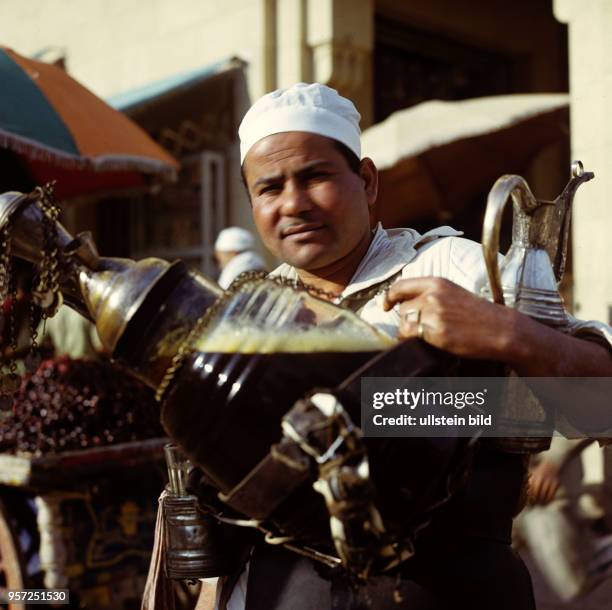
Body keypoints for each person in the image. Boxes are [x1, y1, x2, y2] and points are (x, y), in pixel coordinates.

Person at [196, 82, 612, 610]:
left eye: (315, 176)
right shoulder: (242, 314)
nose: (294, 204)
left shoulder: (453, 270)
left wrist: (502, 332)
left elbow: (600, 404)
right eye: (269, 188)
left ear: (367, 181)